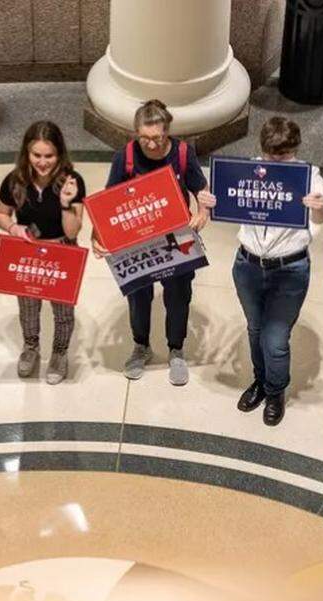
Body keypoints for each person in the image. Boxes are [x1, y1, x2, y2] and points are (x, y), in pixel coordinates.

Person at [95, 99, 216, 386]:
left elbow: (201, 188)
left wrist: (203, 211)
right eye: (144, 138)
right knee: (138, 296)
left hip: (176, 238)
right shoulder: (124, 157)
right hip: (136, 241)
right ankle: (141, 345)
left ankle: (176, 349)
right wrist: (98, 237)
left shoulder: (183, 153)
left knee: (178, 296)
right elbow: (108, 203)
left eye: (157, 138)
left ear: (168, 131)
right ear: (135, 132)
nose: (150, 144)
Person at [233, 116, 323, 427]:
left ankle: (275, 392)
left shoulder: (309, 176)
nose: (277, 160)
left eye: (285, 154)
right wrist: (210, 200)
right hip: (248, 264)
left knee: (275, 339)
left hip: (289, 268)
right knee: (254, 330)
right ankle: (260, 381)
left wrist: (316, 206)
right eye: (271, 154)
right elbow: (229, 201)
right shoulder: (248, 171)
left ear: (295, 149)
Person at [0, 121, 86, 384]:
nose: (43, 162)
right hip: (29, 251)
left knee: (63, 311)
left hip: (62, 249)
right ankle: (30, 347)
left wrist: (67, 204)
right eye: (37, 155)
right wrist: (13, 227)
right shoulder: (14, 181)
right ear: (27, 152)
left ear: (60, 154)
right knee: (28, 307)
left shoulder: (72, 181)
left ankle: (59, 353)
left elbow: (72, 231)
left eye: (49, 156)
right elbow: (1, 213)